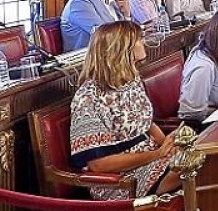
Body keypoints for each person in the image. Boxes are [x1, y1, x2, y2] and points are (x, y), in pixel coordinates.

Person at [69, 21, 181, 200]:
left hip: (152, 158)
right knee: (191, 168)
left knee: (204, 157)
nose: (143, 42)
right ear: (121, 48)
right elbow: (98, 165)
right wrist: (157, 154)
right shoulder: (89, 98)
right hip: (121, 180)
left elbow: (146, 123)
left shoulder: (132, 79)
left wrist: (167, 144)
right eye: (139, 39)